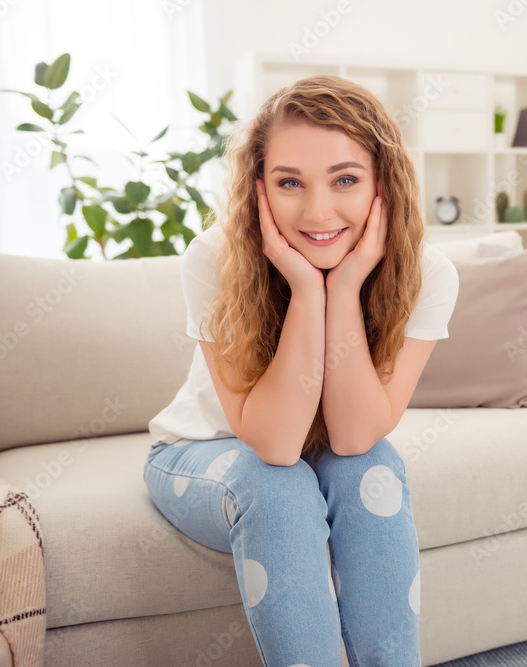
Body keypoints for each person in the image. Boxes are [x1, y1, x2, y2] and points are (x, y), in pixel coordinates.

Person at [144, 74, 459, 667]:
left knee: (375, 467)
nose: (317, 211)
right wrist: (305, 294)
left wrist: (342, 291)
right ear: (258, 188)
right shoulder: (214, 259)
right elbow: (275, 444)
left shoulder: (429, 274)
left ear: (382, 185)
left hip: (319, 453)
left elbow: (355, 437)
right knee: (277, 485)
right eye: (290, 183)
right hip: (202, 452)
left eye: (345, 179)